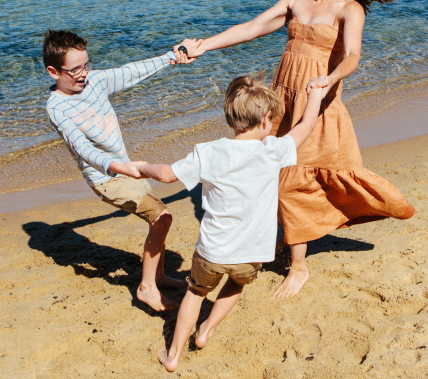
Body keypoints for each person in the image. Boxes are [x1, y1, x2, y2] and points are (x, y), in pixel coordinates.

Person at [180, 0, 416, 299]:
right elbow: (252, 28)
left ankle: (299, 266)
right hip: (281, 99)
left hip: (316, 102)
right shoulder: (296, 0)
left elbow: (352, 55)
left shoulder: (350, 9)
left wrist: (330, 78)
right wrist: (202, 46)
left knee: (293, 180)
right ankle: (281, 235)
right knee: (270, 171)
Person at [139, 75, 327, 372]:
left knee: (196, 292)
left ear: (231, 117)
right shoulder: (273, 150)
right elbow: (305, 127)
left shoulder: (209, 152)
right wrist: (314, 95)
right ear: (267, 120)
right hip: (253, 251)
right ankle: (207, 331)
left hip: (213, 251)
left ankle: (173, 355)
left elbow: (166, 174)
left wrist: (140, 168)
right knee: (235, 285)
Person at [43, 29, 198, 311]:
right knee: (162, 217)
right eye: (74, 69)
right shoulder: (57, 107)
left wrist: (172, 57)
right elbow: (83, 150)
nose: (83, 74)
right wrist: (120, 167)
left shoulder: (95, 81)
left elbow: (131, 71)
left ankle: (159, 276)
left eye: (86, 65)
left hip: (126, 169)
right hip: (105, 177)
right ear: (54, 71)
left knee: (159, 217)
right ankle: (147, 288)